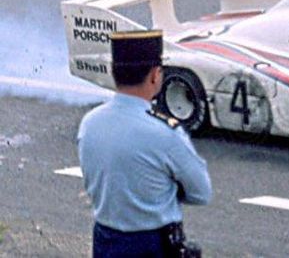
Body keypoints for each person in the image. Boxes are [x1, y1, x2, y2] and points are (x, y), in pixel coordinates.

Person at [77, 30, 212, 258]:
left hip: (105, 239)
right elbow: (201, 192)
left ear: (113, 72)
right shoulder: (165, 132)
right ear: (155, 75)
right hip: (152, 243)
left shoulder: (90, 123)